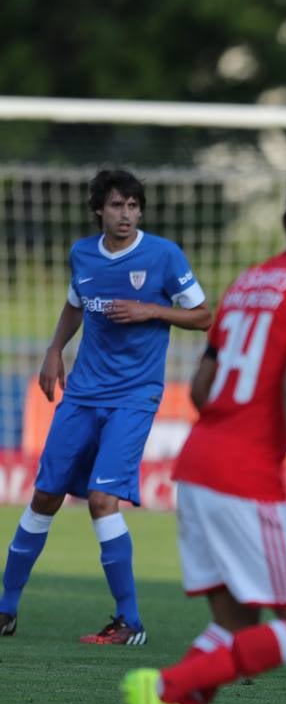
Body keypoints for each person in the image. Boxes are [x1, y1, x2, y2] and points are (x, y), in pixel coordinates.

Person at [117, 170, 286, 704]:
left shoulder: (249, 283)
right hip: (245, 476)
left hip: (197, 464)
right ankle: (162, 687)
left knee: (234, 622)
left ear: (283, 222)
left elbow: (199, 387)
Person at [0, 170, 210, 644]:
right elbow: (76, 303)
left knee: (101, 500)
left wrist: (152, 311)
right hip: (82, 394)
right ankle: (6, 609)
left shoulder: (163, 255)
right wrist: (55, 349)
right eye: (117, 206)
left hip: (134, 398)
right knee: (44, 496)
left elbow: (204, 316)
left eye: (134, 206)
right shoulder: (83, 254)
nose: (127, 215)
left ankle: (130, 622)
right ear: (99, 209)